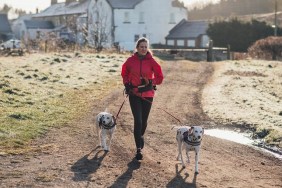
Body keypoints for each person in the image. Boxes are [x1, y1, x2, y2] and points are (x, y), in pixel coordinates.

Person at [121, 37, 164, 160]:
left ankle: (140, 136)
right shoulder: (130, 61)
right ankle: (138, 149)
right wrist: (126, 83)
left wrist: (152, 82)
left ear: (147, 48)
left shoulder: (152, 62)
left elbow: (160, 77)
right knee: (138, 121)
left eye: (145, 47)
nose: (143, 49)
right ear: (137, 47)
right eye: (141, 47)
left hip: (148, 94)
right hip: (134, 94)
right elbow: (124, 73)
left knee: (144, 121)